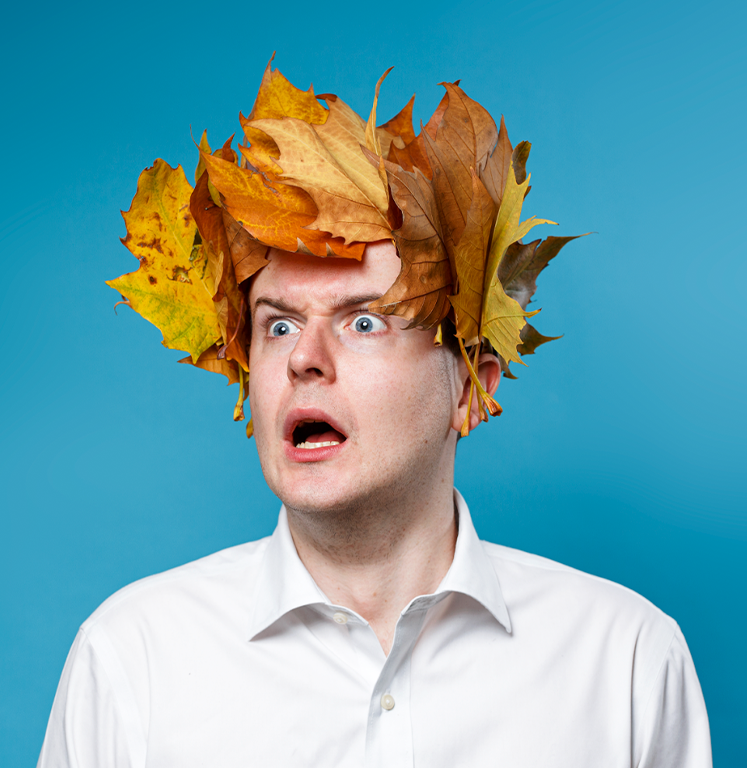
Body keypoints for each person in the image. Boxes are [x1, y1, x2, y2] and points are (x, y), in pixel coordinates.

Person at [37, 60, 712, 767]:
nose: (305, 357)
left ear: (470, 392)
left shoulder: (625, 661)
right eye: (277, 325)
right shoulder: (131, 661)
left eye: (364, 323)